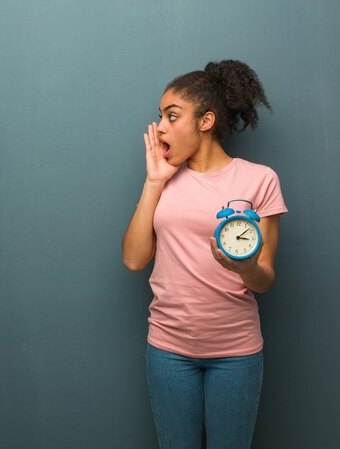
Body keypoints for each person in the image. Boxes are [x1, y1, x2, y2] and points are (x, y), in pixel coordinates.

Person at [122, 59, 288, 449]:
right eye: (160, 116)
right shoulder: (163, 179)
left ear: (206, 120)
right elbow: (133, 259)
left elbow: (265, 280)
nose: (160, 126)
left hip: (236, 353)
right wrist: (153, 181)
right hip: (168, 349)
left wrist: (245, 266)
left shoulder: (259, 180)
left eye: (172, 115)